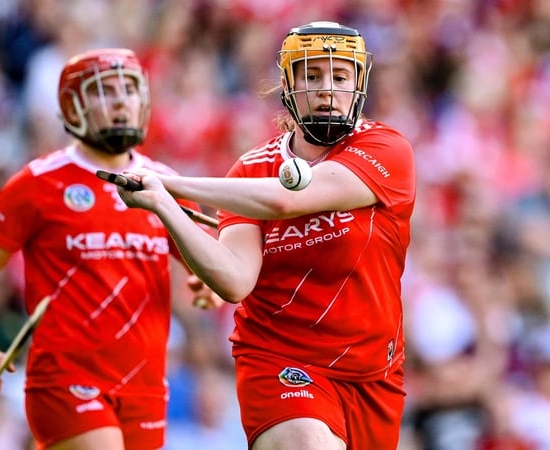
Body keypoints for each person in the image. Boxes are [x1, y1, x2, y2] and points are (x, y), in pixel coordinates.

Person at [115, 21, 416, 450]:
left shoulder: (387, 150)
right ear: (288, 85)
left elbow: (284, 202)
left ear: (359, 84)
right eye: (311, 76)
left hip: (372, 374)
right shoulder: (251, 170)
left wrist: (174, 184)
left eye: (340, 76)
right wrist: (164, 205)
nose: (327, 89)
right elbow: (235, 280)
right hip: (278, 358)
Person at [0, 48, 216, 450]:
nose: (120, 101)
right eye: (104, 91)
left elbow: (209, 263)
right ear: (72, 107)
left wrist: (205, 283)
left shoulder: (167, 184)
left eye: (129, 89)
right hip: (65, 381)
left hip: (145, 386)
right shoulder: (38, 183)